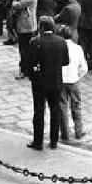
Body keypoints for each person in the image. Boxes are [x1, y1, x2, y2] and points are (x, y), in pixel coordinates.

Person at [25, 16, 69, 151]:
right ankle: (54, 141)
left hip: (39, 82)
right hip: (55, 81)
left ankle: (38, 141)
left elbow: (29, 63)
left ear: (41, 27)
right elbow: (66, 61)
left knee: (39, 111)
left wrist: (32, 76)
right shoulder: (61, 41)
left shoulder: (35, 42)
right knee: (55, 111)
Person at [57, 24, 87, 142]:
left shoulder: (58, 48)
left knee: (62, 107)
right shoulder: (78, 48)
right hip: (74, 81)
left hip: (61, 81)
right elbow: (84, 68)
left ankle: (64, 133)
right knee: (76, 106)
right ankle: (78, 131)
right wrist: (77, 76)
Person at [11, 0, 38, 79]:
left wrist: (15, 2)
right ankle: (26, 69)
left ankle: (25, 70)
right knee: (24, 48)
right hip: (23, 23)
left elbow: (18, 4)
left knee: (25, 49)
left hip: (27, 24)